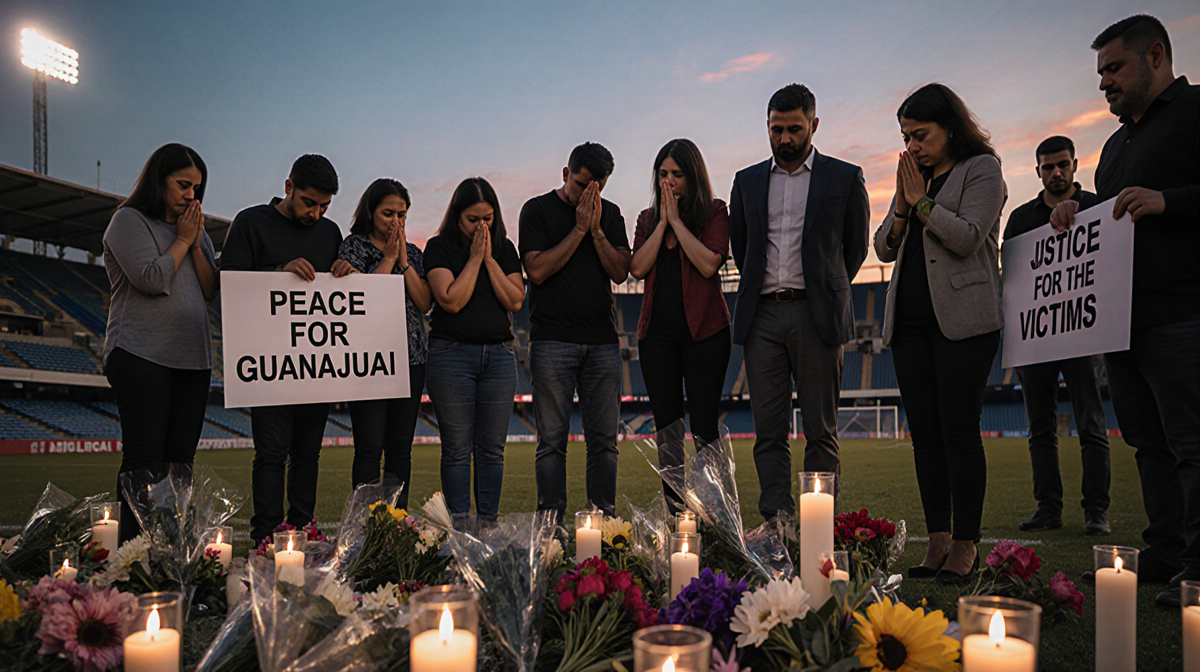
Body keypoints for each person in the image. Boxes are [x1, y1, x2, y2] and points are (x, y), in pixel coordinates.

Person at [1051, 15, 1200, 607]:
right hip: (1120, 318)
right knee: (1148, 442)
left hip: (1183, 311)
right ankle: (1164, 553)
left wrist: (1171, 201)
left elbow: (1159, 203)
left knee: (1192, 444)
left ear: (1156, 56)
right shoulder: (1113, 146)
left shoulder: (1195, 114)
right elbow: (1108, 217)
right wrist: (1073, 214)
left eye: (1114, 68)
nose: (1104, 83)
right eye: (1100, 73)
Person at [873, 84, 1006, 584]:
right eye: (906, 137)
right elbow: (884, 246)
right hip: (908, 327)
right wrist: (906, 206)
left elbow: (970, 236)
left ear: (950, 127)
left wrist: (922, 204)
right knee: (924, 437)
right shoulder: (915, 177)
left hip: (963, 324)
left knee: (958, 430)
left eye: (920, 135)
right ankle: (937, 539)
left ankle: (966, 544)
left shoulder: (982, 169)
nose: (912, 146)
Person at [728, 84, 870, 522]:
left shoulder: (844, 177)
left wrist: (824, 288)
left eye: (794, 129)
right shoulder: (747, 180)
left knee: (821, 431)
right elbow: (741, 244)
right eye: (776, 129)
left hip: (817, 314)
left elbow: (855, 247)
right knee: (768, 433)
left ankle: (817, 525)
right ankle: (776, 522)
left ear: (814, 125)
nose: (784, 139)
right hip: (763, 316)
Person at [220, 154, 357, 544]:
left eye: (325, 206)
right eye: (309, 203)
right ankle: (265, 536)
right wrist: (278, 274)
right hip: (269, 362)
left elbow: (335, 297)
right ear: (288, 187)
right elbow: (228, 284)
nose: (316, 213)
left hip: (313, 364)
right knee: (271, 454)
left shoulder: (330, 232)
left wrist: (345, 275)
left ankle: (303, 529)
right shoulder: (250, 222)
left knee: (308, 455)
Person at [103, 143, 218, 545]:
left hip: (193, 359)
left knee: (180, 465)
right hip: (140, 353)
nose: (192, 196)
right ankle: (130, 554)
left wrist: (197, 239)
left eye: (197, 188)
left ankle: (169, 550)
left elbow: (209, 289)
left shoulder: (194, 229)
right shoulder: (128, 220)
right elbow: (151, 278)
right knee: (143, 461)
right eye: (183, 185)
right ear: (159, 180)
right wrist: (184, 239)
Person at [1003, 136, 1111, 536]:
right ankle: (1048, 507)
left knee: (1092, 425)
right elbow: (1012, 278)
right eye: (1048, 167)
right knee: (1041, 429)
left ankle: (1096, 510)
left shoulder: (1098, 207)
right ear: (1037, 172)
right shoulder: (1020, 219)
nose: (1056, 173)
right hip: (1037, 339)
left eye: (1062, 165)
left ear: (1075, 165)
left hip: (1082, 333)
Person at [519, 143, 631, 523]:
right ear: (566, 174)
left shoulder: (610, 214)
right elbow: (536, 270)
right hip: (551, 340)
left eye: (595, 189)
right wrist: (579, 229)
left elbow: (620, 271)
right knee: (551, 443)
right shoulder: (536, 211)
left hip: (601, 340)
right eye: (581, 185)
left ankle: (604, 522)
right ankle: (550, 525)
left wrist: (596, 230)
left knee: (604, 444)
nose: (587, 196)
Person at [630, 139, 731, 513]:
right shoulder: (645, 218)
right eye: (662, 174)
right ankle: (677, 516)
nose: (668, 181)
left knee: (705, 428)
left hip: (706, 334)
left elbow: (708, 263)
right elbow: (637, 267)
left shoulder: (715, 211)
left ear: (693, 176)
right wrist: (663, 222)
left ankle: (714, 513)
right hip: (656, 338)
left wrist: (677, 222)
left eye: (676, 174)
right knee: (668, 432)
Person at [424, 178, 525, 520]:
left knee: (492, 451)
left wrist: (489, 260)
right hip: (452, 356)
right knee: (456, 449)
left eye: (488, 218)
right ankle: (459, 527)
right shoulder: (438, 248)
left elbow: (514, 299)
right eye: (473, 219)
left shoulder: (505, 249)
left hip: (498, 356)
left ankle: (488, 524)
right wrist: (473, 259)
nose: (481, 226)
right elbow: (451, 300)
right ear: (456, 216)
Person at [337, 179, 432, 507]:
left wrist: (403, 261)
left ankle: (396, 523)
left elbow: (424, 303)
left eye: (402, 215)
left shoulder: (416, 254)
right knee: (368, 447)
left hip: (411, 358)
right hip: (368, 360)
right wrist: (389, 258)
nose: (396, 221)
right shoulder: (354, 247)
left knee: (400, 450)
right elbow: (363, 299)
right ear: (370, 212)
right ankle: (364, 525)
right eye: (388, 213)